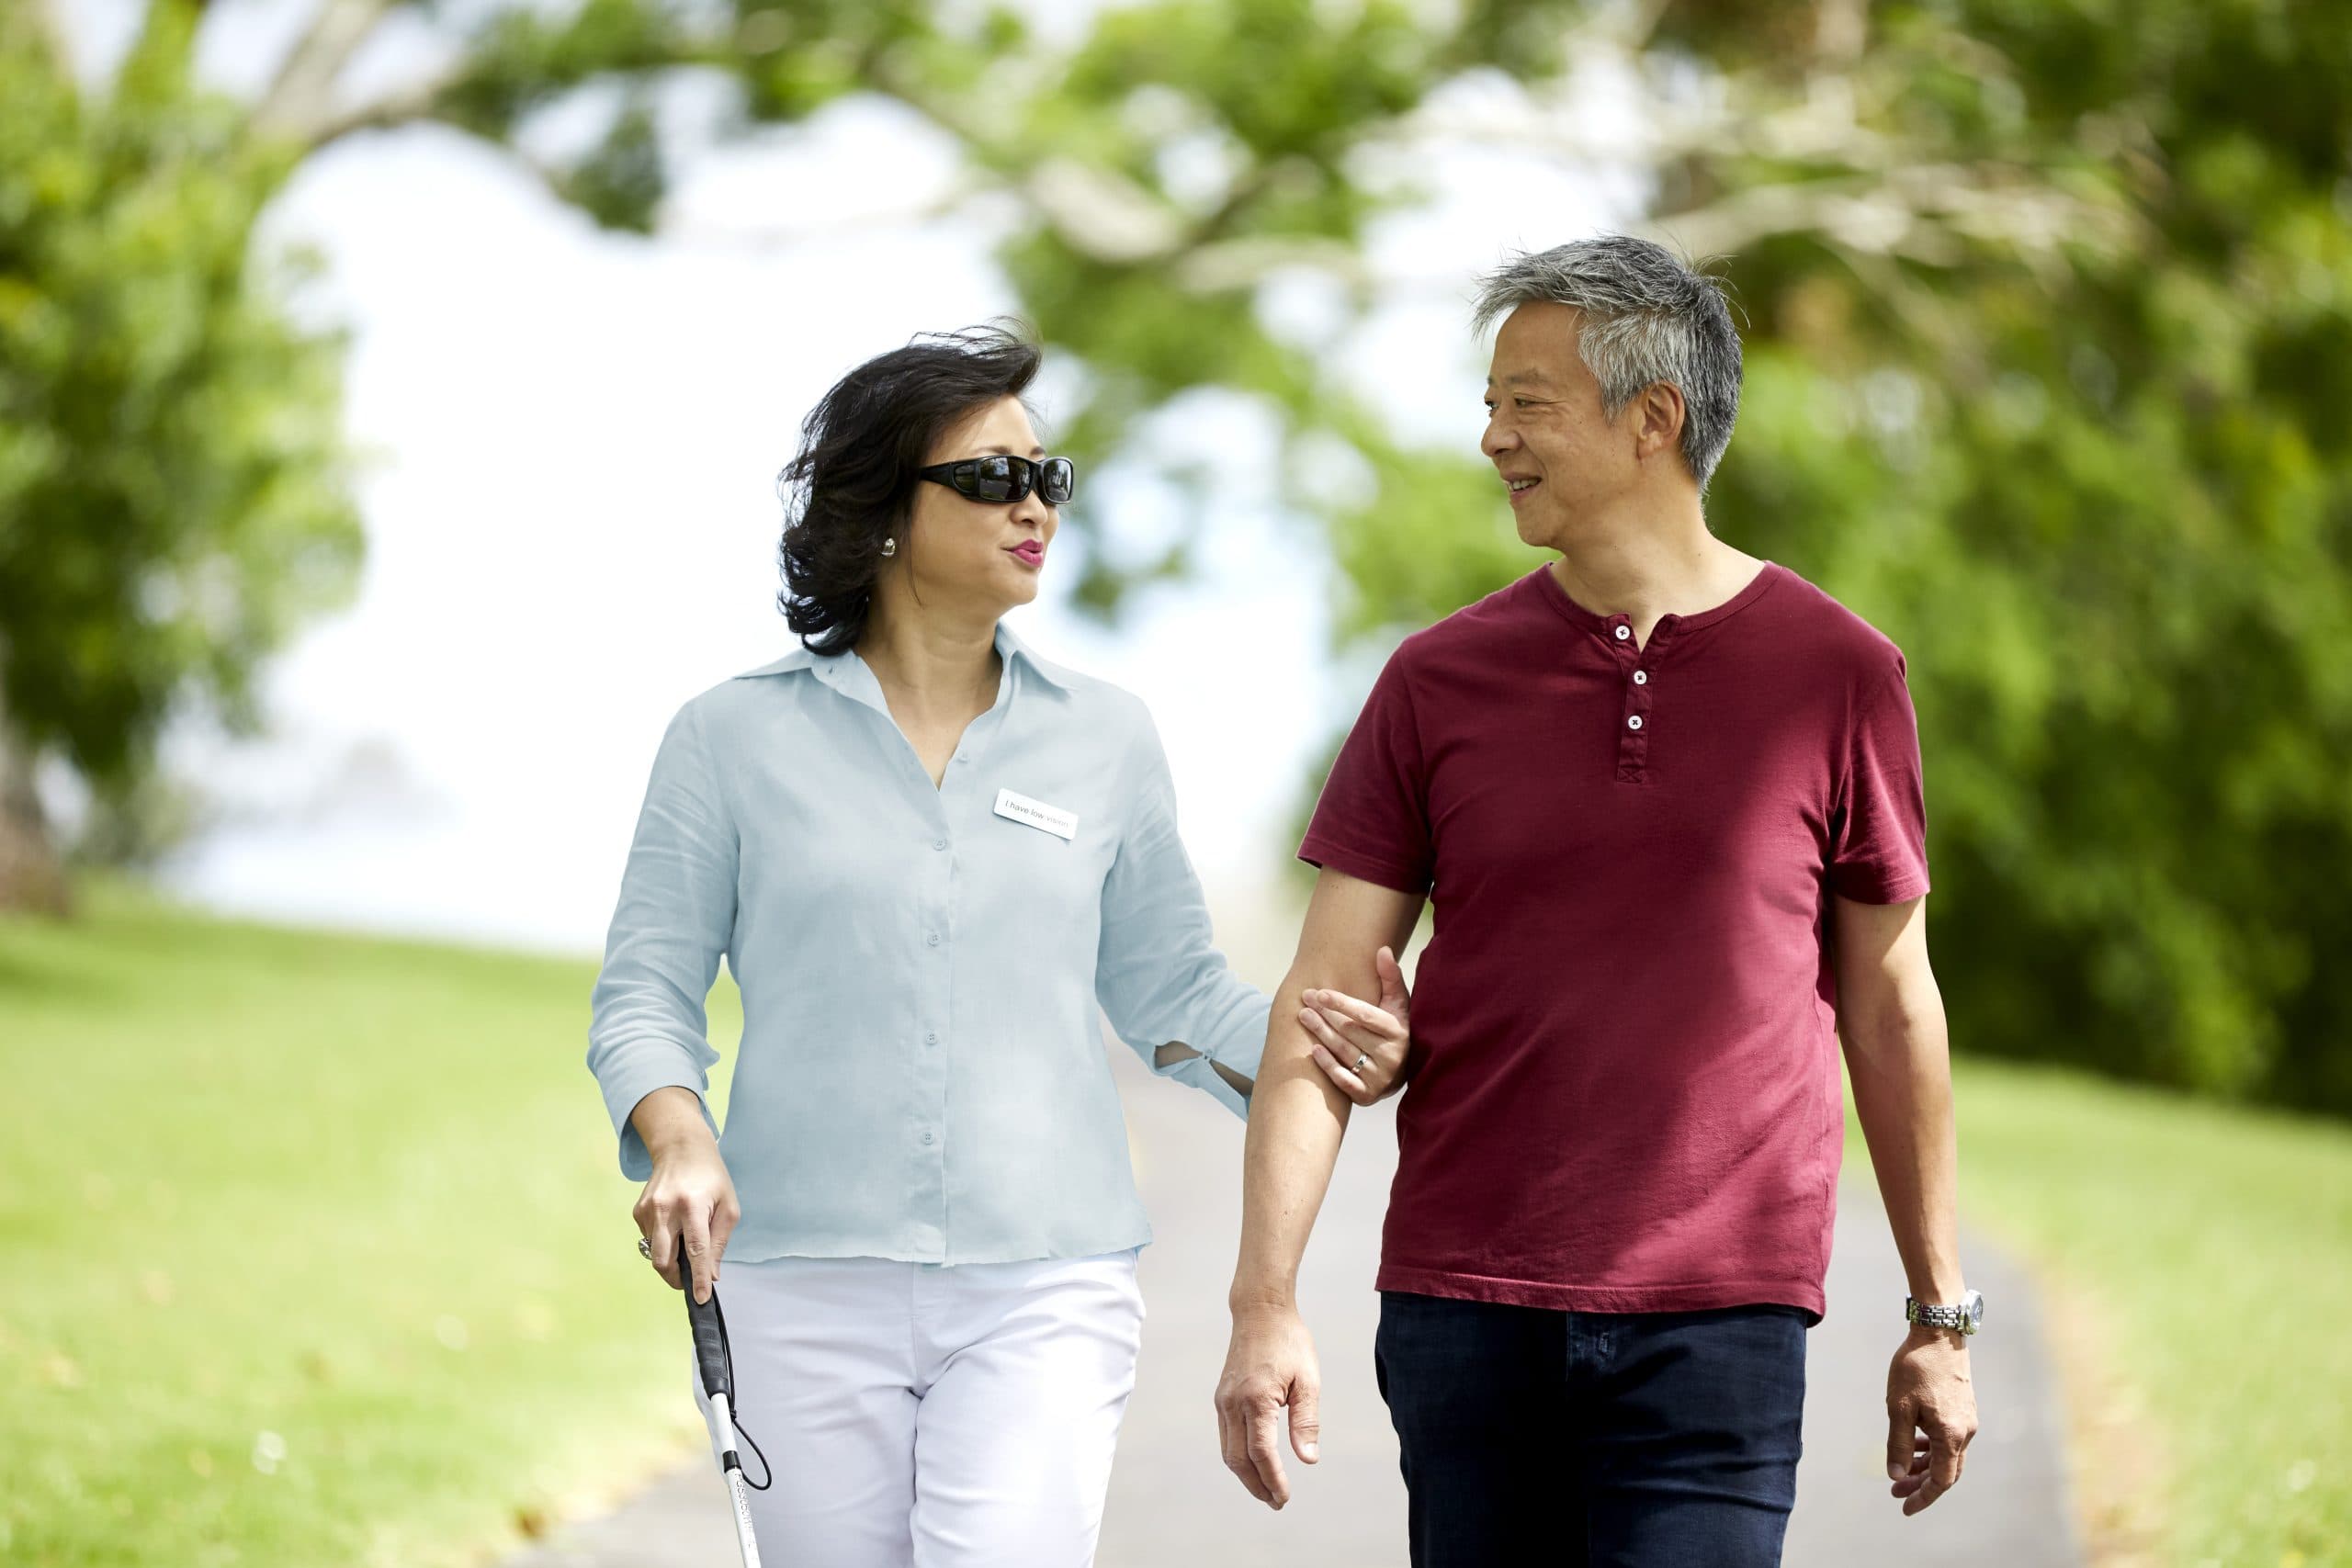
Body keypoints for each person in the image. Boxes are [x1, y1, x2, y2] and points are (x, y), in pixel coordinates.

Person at [584, 322, 1411, 1568]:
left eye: (1047, 477)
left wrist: (1334, 1049)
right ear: (879, 511)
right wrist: (681, 1139)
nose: (1035, 505)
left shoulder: (1107, 737)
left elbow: (1173, 993)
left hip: (1048, 1286)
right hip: (798, 1284)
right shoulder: (727, 739)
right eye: (991, 478)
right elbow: (646, 988)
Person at [1217, 237, 1983, 1566]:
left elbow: (1889, 1002)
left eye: (1527, 402)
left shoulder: (1839, 675)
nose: (1491, 437)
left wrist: (1940, 1317)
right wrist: (1263, 1303)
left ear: (1653, 419)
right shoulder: (1436, 681)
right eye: (1491, 401)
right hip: (1466, 1311)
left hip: (1721, 1320)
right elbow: (1321, 1011)